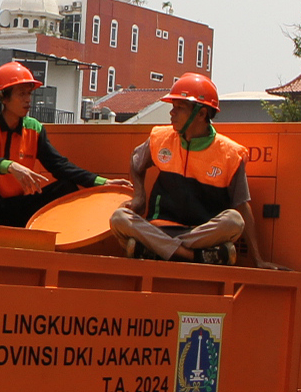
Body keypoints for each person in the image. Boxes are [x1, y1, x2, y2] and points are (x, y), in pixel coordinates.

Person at [0, 62, 131, 227]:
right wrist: (10, 166)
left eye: (29, 93)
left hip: (10, 210)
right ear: (3, 97)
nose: (28, 99)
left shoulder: (34, 129)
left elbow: (60, 166)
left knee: (66, 187)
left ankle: (59, 239)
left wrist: (102, 182)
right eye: (21, 94)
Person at [109, 73, 259, 265]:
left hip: (199, 233)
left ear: (202, 114)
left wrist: (258, 259)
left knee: (234, 221)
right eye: (173, 107)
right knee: (119, 218)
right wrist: (139, 196)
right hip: (159, 229)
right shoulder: (161, 138)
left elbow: (242, 207)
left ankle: (156, 250)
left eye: (179, 108)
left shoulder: (230, 154)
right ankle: (192, 256)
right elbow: (136, 160)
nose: (172, 113)